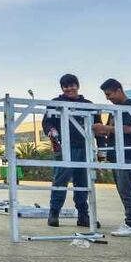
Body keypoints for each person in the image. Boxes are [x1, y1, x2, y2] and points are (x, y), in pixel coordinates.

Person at [42, 73, 98, 228]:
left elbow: (97, 126)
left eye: (72, 85)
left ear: (77, 86)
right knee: (60, 181)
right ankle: (54, 213)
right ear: (62, 88)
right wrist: (51, 131)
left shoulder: (88, 104)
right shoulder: (55, 103)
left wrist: (100, 149)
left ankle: (83, 215)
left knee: (83, 182)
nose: (69, 89)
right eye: (66, 86)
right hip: (64, 148)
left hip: (85, 148)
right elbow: (46, 122)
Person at [94, 78, 131, 237]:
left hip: (127, 155)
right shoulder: (115, 110)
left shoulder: (129, 106)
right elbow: (112, 131)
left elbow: (128, 129)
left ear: (118, 90)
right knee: (123, 191)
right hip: (117, 155)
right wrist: (102, 131)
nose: (108, 98)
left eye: (109, 94)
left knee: (127, 190)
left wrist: (105, 127)